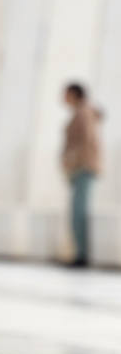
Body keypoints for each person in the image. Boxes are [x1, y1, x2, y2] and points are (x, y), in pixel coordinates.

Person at [61, 82, 102, 268]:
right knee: (77, 211)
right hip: (81, 168)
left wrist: (74, 165)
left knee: (79, 212)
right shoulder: (82, 112)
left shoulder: (83, 113)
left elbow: (86, 142)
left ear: (74, 94)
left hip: (83, 169)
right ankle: (80, 253)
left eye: (66, 94)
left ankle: (82, 256)